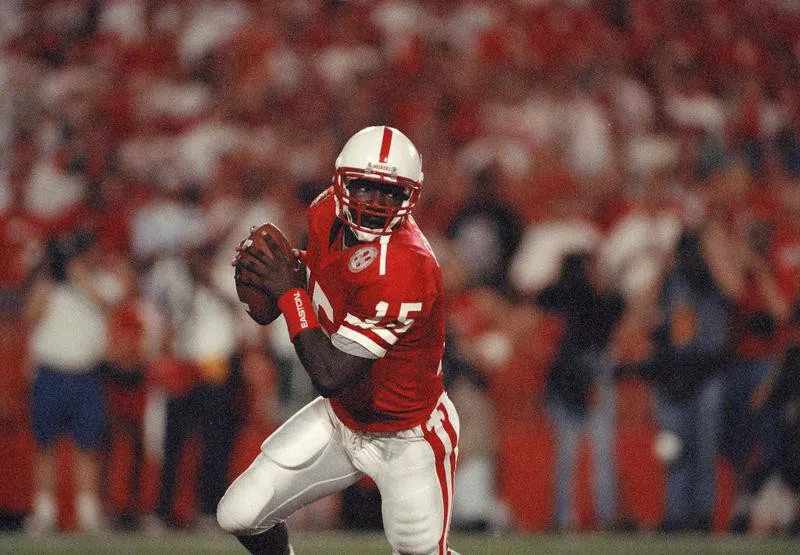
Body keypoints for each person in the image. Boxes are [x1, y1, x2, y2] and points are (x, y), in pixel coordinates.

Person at [217, 126, 461, 555]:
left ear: (411, 198)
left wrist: (289, 292)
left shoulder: (407, 266)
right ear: (340, 182)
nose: (375, 203)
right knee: (240, 513)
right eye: (365, 186)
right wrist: (295, 271)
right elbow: (336, 279)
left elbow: (331, 374)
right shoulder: (325, 211)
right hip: (343, 420)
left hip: (409, 436)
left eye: (390, 192)